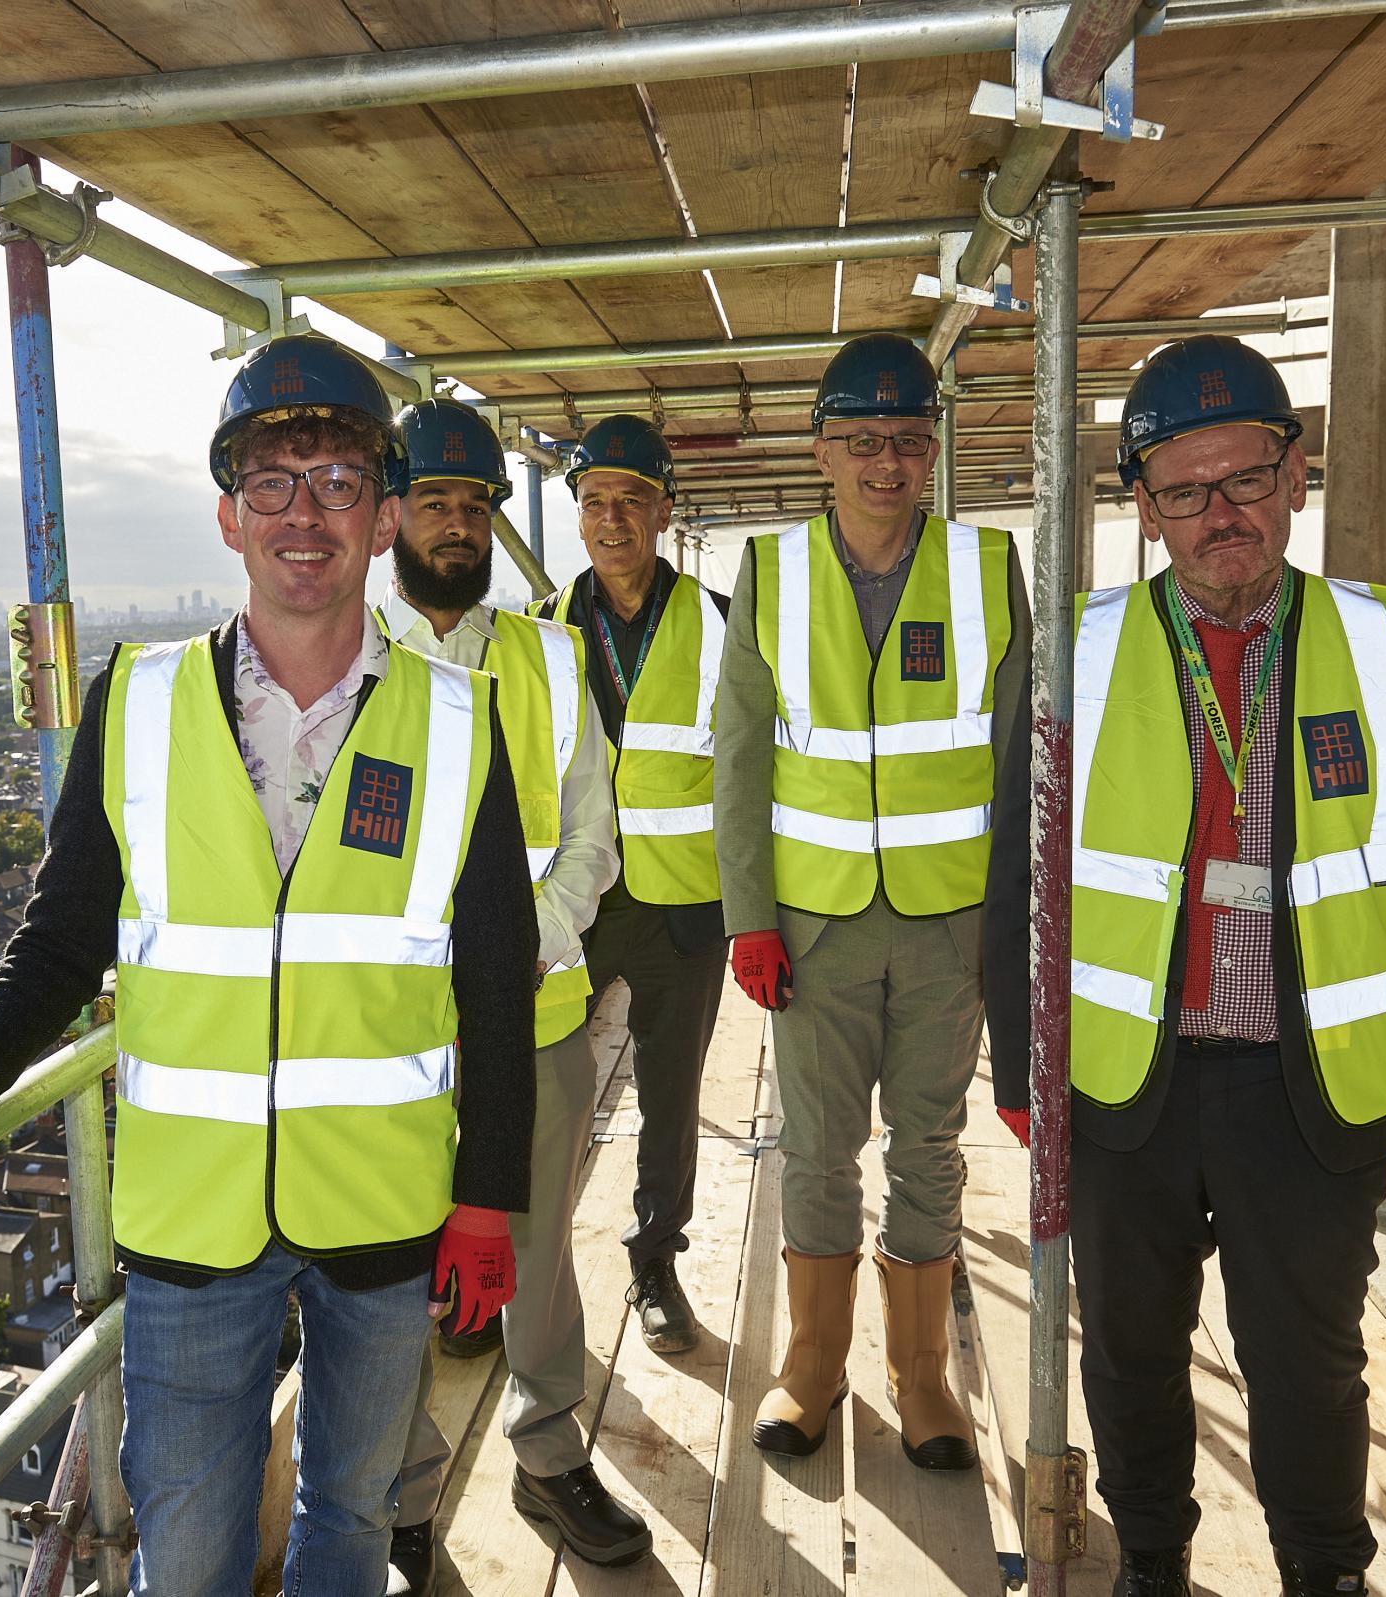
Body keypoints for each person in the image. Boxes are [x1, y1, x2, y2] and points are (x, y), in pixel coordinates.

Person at [0, 333, 540, 1597]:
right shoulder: (137, 702)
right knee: (188, 1556)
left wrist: (489, 1198)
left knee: (351, 1525)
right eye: (273, 480)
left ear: (382, 520)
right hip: (192, 1226)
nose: (303, 513)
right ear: (226, 513)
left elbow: (495, 978)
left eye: (338, 481)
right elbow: (58, 939)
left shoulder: (460, 724)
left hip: (384, 1208)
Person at [983, 336, 1386, 1597]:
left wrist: (1321, 927)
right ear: (1144, 506)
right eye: (1187, 489)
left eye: (1249, 477)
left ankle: (1325, 1570)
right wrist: (1019, 1064)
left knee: (1306, 1358)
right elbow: (1018, 877)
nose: (1225, 513)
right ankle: (1154, 1557)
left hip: (1303, 1081)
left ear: (1296, 474)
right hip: (1123, 1080)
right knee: (1132, 1351)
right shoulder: (1068, 655)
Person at [712, 332, 1030, 1468]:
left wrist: (1013, 934)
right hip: (817, 925)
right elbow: (740, 757)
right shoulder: (773, 572)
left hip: (949, 927)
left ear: (932, 450)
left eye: (905, 441)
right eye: (860, 441)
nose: (884, 464)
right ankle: (810, 1369)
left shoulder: (991, 570)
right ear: (821, 450)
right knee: (817, 1148)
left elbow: (1014, 765)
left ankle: (923, 1376)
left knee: (929, 1145)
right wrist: (748, 914)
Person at [381, 397, 645, 1589]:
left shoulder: (545, 653)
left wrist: (526, 939)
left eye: (475, 503)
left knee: (536, 1262)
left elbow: (594, 830)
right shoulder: (350, 654)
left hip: (536, 1016)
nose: (456, 522)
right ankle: (399, 1492)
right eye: (434, 499)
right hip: (384, 1040)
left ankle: (546, 1454)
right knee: (385, 1266)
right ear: (392, 512)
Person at [532, 414, 730, 1356]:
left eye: (632, 500)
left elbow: (753, 771)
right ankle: (528, 1278)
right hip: (577, 907)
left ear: (662, 510)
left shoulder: (725, 623)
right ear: (576, 515)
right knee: (546, 1094)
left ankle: (655, 1260)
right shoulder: (537, 640)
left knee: (669, 1092)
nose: (613, 518)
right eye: (594, 501)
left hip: (685, 909)